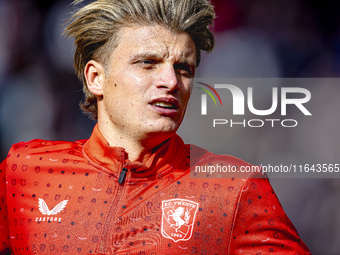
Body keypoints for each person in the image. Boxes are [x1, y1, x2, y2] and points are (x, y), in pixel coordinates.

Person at [0, 0, 311, 254]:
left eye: (183, 68)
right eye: (147, 63)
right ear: (96, 78)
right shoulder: (23, 172)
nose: (172, 82)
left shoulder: (233, 188)